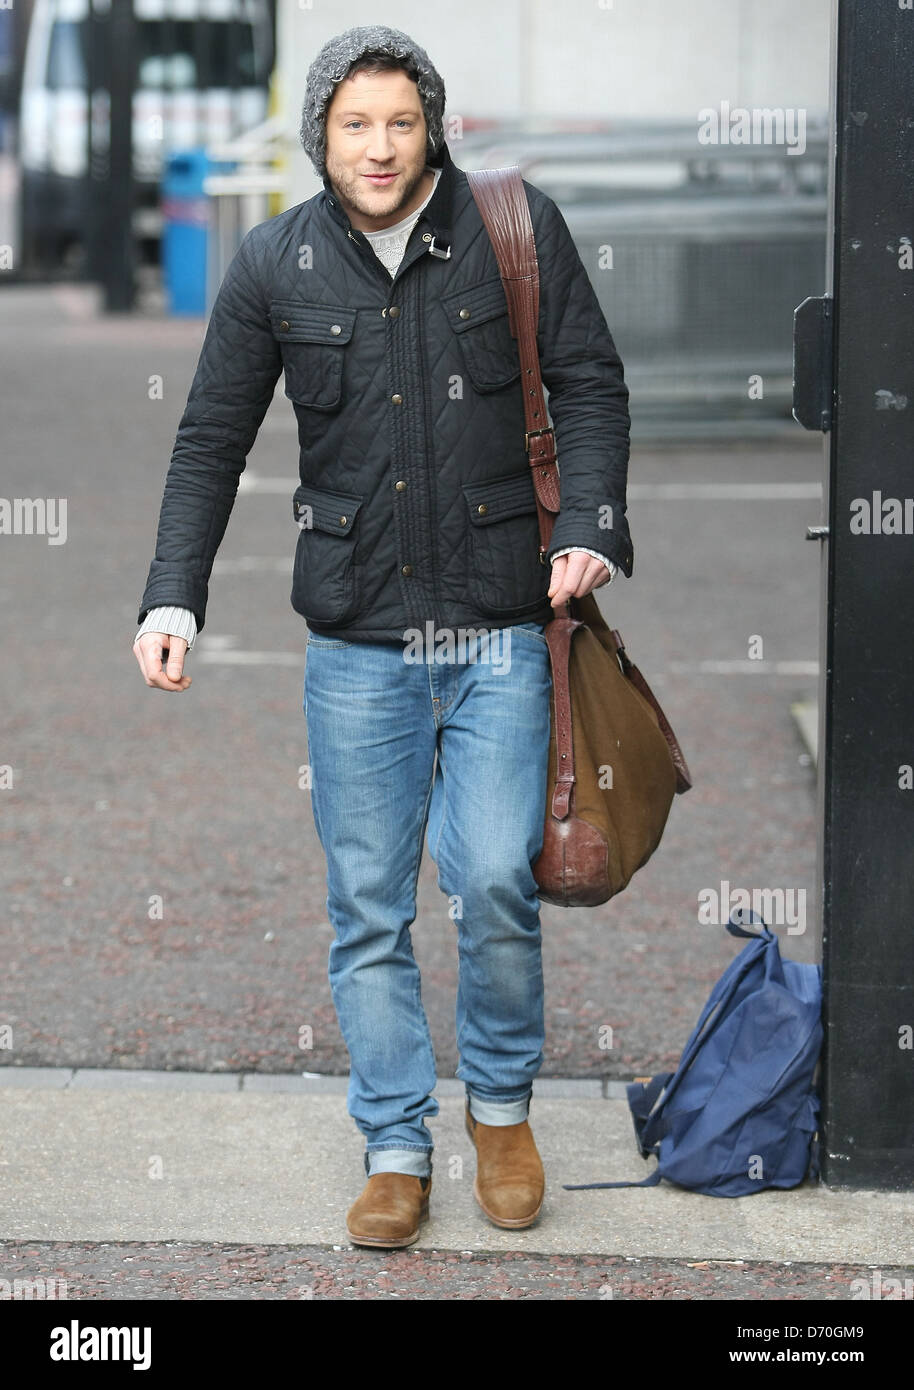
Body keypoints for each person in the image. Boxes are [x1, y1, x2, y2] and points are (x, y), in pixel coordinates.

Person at [133, 24, 633, 1248]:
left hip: (500, 627)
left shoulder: (512, 233)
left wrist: (596, 523)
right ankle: (397, 1142)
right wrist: (170, 597)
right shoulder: (274, 264)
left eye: (398, 122)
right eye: (354, 124)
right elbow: (209, 439)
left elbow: (589, 382)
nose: (377, 145)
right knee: (367, 906)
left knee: (496, 878)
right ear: (320, 135)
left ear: (432, 126)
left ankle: (503, 1114)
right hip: (355, 640)